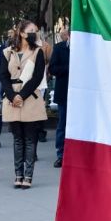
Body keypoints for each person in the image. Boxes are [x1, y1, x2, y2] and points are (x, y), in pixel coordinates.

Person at [1, 20, 47, 189]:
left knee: (29, 138)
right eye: (31, 30)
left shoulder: (38, 52)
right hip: (12, 99)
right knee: (17, 138)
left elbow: (36, 77)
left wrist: (22, 95)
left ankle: (28, 176)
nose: (34, 33)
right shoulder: (7, 52)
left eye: (35, 30)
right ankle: (18, 174)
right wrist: (13, 96)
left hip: (30, 99)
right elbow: (3, 76)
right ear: (21, 33)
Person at [49, 27, 70, 168]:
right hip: (64, 93)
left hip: (81, 95)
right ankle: (61, 154)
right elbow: (52, 69)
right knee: (62, 124)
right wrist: (69, 68)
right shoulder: (59, 48)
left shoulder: (85, 49)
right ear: (68, 35)